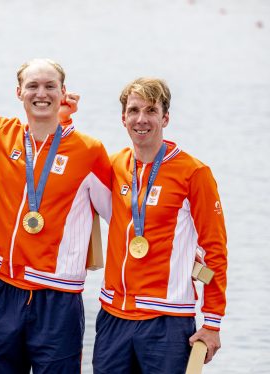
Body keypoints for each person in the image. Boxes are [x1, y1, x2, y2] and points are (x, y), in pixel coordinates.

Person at [0, 13, 112, 374]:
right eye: (32, 86)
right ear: (19, 93)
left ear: (63, 93)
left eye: (50, 86)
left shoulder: (90, 152)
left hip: (59, 298)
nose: (41, 94)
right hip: (4, 289)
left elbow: (122, 215)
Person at [92, 77, 228, 373]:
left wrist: (213, 321)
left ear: (165, 118)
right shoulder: (115, 165)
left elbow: (214, 249)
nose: (141, 119)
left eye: (151, 111)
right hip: (114, 316)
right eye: (134, 110)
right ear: (123, 118)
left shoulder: (193, 173)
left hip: (167, 320)